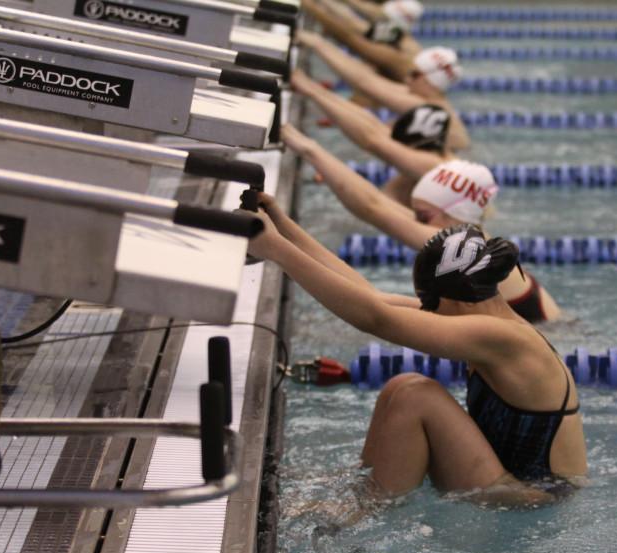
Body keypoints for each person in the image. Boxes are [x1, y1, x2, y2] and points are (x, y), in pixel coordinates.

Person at [249, 201, 587, 503]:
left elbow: (375, 318)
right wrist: (281, 226)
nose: (426, 312)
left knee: (415, 394)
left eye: (429, 304)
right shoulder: (485, 318)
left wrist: (275, 250)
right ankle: (360, 489)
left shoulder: (502, 337)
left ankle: (363, 510)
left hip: (535, 499)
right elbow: (372, 297)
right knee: (400, 387)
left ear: (452, 299)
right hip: (509, 479)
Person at [282, 123, 562, 322]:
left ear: (454, 211)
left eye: (423, 217)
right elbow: (380, 205)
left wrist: (310, 150)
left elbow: (373, 208)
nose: (415, 222)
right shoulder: (471, 239)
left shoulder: (468, 250)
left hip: (552, 340)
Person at [291, 68, 452, 205]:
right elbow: (375, 129)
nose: (407, 79)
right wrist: (313, 90)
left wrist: (308, 147)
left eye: (415, 74)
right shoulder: (432, 155)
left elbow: (372, 140)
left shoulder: (433, 166)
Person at [297, 30, 471, 149]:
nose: (407, 78)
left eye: (414, 74)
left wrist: (318, 44)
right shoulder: (428, 101)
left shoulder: (428, 107)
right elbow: (368, 80)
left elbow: (365, 83)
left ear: (431, 81)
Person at [299, 0, 423, 82]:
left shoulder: (398, 40)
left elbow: (351, 33)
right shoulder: (398, 34)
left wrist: (310, 6)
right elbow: (363, 15)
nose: (378, 19)